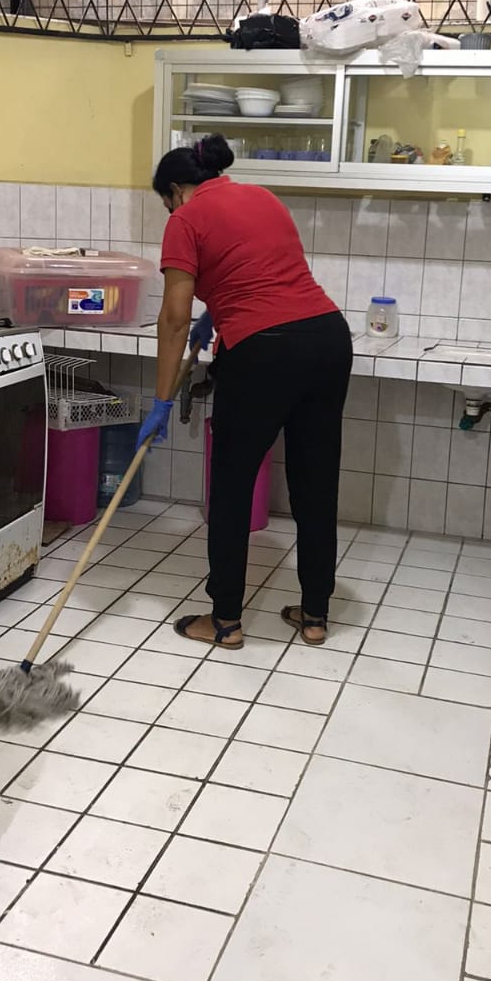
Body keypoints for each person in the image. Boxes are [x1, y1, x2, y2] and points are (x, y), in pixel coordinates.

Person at [138, 134, 353, 650]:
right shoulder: (263, 197)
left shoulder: (184, 220)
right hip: (327, 338)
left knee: (232, 487)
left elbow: (173, 317)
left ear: (175, 191)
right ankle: (315, 615)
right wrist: (215, 313)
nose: (169, 212)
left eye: (166, 203)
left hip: (261, 354)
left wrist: (163, 399)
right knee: (315, 484)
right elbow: (262, 273)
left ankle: (226, 621)